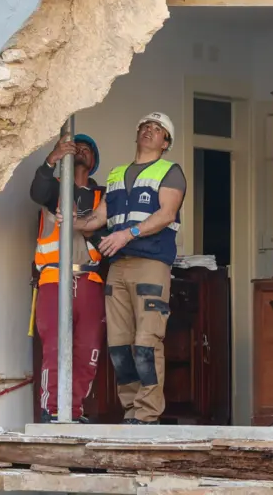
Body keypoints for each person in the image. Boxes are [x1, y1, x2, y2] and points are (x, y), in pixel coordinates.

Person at [86, 111, 187, 425]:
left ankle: (147, 415)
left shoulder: (170, 172)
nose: (149, 131)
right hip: (118, 267)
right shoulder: (117, 174)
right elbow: (97, 219)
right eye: (145, 126)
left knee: (146, 341)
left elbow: (167, 214)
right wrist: (70, 223)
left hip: (151, 264)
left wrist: (126, 233)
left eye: (157, 129)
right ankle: (131, 411)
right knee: (119, 344)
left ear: (165, 143)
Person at [29, 133, 106, 423]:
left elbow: (108, 237)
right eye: (76, 147)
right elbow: (37, 190)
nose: (81, 150)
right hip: (53, 278)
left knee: (89, 352)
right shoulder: (55, 190)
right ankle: (51, 411)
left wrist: (83, 226)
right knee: (54, 348)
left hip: (90, 280)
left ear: (94, 161)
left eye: (88, 148)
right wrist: (53, 158)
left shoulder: (102, 197)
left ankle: (73, 413)